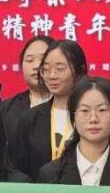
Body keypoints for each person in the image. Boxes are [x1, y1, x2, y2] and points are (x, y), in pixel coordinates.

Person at [37, 77, 110, 186]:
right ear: (73, 117)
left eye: (102, 110)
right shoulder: (50, 174)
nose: (93, 119)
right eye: (85, 110)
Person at [10, 39, 88, 179]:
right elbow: (17, 169)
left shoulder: (93, 116)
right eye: (46, 69)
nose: (52, 76)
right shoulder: (29, 119)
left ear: (80, 71)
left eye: (60, 69)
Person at [0, 35, 54, 142]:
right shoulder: (6, 108)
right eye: (29, 60)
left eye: (43, 59)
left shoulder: (72, 104)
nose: (36, 66)